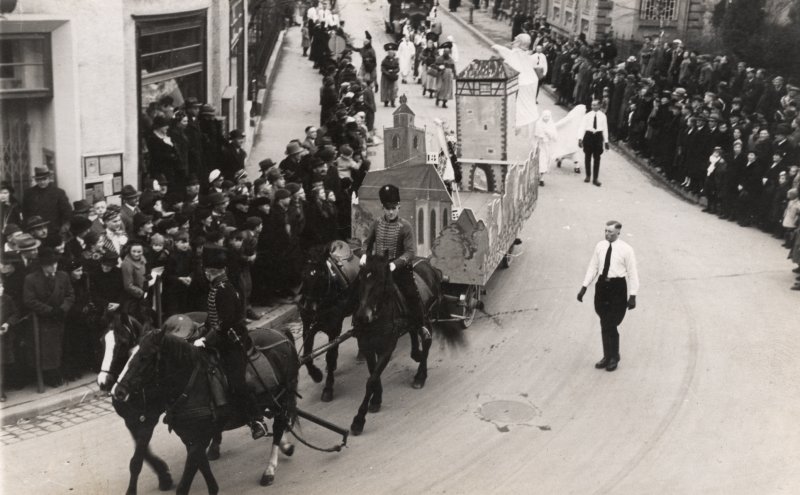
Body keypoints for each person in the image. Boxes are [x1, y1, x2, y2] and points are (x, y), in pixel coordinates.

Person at [192, 245, 269, 440]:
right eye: (209, 271)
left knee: (237, 383)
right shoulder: (216, 288)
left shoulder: (224, 289)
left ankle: (256, 419)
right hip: (220, 338)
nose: (210, 274)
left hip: (232, 342)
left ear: (220, 271)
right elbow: (213, 317)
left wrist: (206, 339)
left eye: (212, 271)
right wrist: (201, 331)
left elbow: (224, 324)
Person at [360, 184, 427, 334]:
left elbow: (410, 252)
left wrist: (395, 264)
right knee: (361, 287)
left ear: (399, 207)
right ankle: (358, 321)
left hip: (398, 269)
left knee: (411, 293)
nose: (391, 212)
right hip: (378, 267)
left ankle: (421, 327)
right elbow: (367, 243)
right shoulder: (376, 223)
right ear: (382, 208)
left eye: (393, 208)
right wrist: (364, 254)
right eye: (387, 208)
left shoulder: (405, 226)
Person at [577, 221, 639, 372]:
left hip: (617, 287)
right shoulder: (600, 246)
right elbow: (593, 267)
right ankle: (607, 356)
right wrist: (584, 287)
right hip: (602, 287)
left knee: (611, 322)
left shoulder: (626, 250)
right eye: (605, 231)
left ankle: (614, 357)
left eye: (610, 232)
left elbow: (632, 273)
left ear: (618, 232)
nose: (607, 234)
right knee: (604, 321)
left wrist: (633, 295)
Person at [23, 248, 75, 387]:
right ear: (42, 265)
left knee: (62, 347)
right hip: (43, 321)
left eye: (55, 263)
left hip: (61, 317)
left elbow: (70, 295)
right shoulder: (31, 279)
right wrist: (49, 310)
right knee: (47, 351)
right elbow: (29, 300)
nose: (54, 267)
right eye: (50, 264)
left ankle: (62, 373)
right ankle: (50, 376)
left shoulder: (63, 276)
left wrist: (63, 308)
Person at [21, 167, 72, 243]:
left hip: (54, 232)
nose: (42, 182)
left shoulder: (58, 193)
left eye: (44, 179)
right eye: (39, 180)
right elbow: (25, 214)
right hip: (35, 234)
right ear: (35, 180)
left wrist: (63, 229)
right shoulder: (29, 193)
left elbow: (67, 213)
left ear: (49, 179)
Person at [578, 99, 610, 186]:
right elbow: (582, 127)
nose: (593, 106)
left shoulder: (603, 116)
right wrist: (580, 138)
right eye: (592, 105)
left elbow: (605, 129)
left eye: (595, 105)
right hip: (588, 136)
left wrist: (606, 141)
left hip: (598, 137)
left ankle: (595, 178)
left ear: (599, 106)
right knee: (587, 156)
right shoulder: (587, 115)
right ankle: (588, 175)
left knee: (597, 158)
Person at [533, 110, 558, 186]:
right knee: (541, 161)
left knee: (547, 160)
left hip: (548, 145)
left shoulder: (551, 124)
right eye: (545, 116)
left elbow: (555, 136)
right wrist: (541, 137)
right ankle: (541, 179)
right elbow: (536, 135)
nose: (546, 118)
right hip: (540, 145)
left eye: (548, 116)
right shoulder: (538, 123)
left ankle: (541, 176)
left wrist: (549, 133)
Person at [380, 43, 400, 107]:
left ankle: (392, 101)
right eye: (389, 52)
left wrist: (393, 71)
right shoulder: (384, 60)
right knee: (385, 89)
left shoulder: (396, 60)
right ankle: (386, 101)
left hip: (393, 76)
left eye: (391, 52)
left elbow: (398, 68)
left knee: (393, 89)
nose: (390, 54)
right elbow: (382, 68)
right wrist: (387, 72)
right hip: (386, 77)